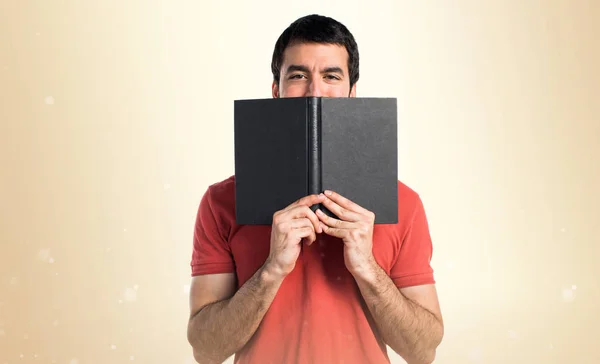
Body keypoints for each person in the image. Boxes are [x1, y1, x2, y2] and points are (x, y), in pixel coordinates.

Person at [186, 14, 444, 364]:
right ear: (276, 90)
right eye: (298, 75)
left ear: (352, 92)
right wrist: (271, 269)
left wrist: (367, 268)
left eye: (331, 76)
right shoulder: (220, 202)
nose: (315, 90)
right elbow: (206, 350)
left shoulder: (404, 203)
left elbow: (422, 351)